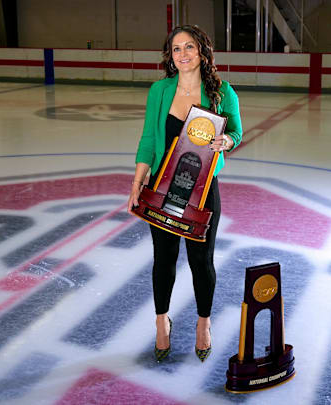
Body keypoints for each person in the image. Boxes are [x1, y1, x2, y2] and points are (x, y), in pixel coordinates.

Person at [128, 25, 243, 362]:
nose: (182, 54)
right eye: (176, 49)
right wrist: (137, 185)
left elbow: (235, 130)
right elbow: (149, 139)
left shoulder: (222, 92)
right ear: (170, 56)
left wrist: (227, 141)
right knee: (163, 260)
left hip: (203, 191)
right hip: (163, 189)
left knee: (200, 261)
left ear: (203, 51)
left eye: (189, 47)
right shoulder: (160, 90)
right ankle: (162, 322)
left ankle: (203, 324)